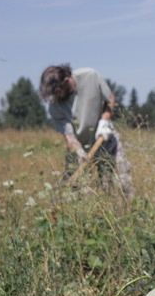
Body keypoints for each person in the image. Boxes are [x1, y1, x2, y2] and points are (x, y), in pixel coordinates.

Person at [39, 64, 133, 199]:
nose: (55, 97)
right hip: (79, 146)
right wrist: (79, 152)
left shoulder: (90, 76)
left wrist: (104, 121)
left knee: (118, 184)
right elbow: (69, 137)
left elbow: (110, 98)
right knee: (76, 190)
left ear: (66, 81)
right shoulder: (55, 107)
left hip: (104, 136)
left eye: (57, 91)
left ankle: (122, 214)